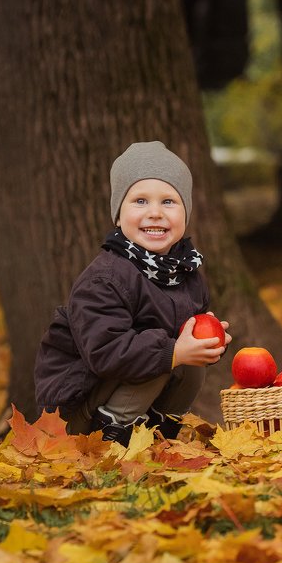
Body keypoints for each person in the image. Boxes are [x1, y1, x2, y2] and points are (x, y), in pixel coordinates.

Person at [34, 141, 230, 445]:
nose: (155, 213)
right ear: (117, 215)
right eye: (140, 201)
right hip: (77, 408)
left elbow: (184, 347)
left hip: (132, 389)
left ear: (186, 213)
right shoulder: (105, 278)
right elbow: (106, 353)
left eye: (168, 202)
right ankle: (112, 438)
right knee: (162, 352)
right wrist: (174, 351)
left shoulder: (185, 272)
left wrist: (206, 344)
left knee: (187, 363)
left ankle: (156, 434)